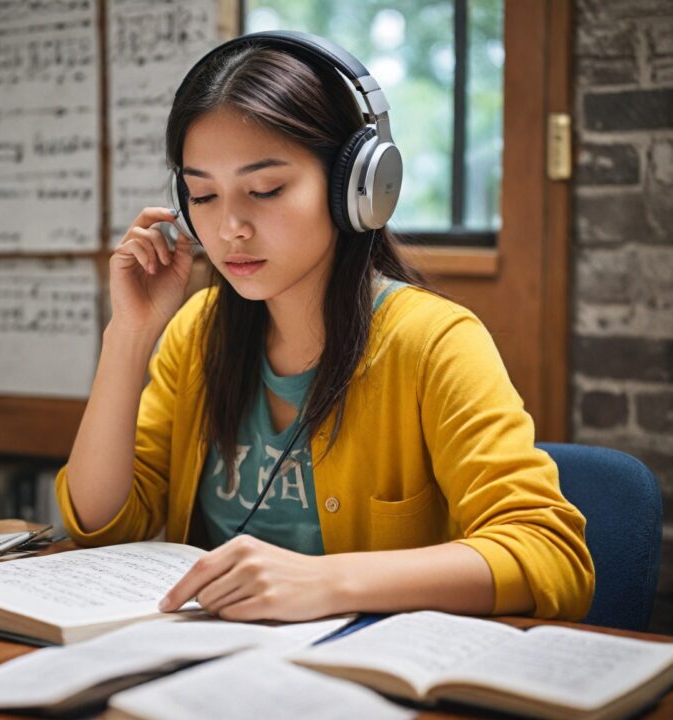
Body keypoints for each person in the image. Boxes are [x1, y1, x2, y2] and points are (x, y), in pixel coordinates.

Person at [56, 32, 594, 623]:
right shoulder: (197, 332)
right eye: (203, 195)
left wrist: (325, 581)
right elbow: (101, 526)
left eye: (265, 189)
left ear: (354, 187)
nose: (230, 227)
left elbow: (550, 555)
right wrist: (129, 334)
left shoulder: (434, 343)